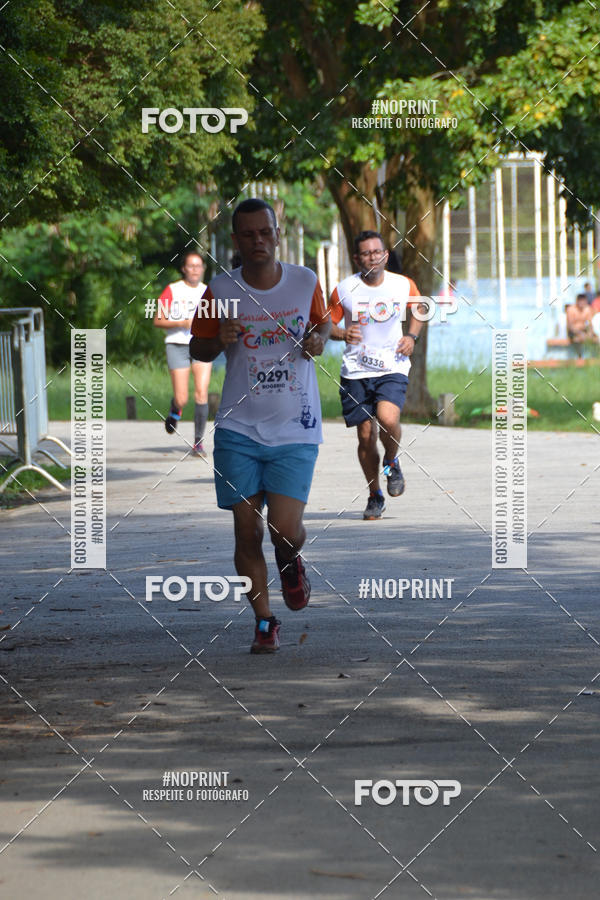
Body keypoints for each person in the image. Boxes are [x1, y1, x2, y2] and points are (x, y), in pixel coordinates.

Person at [190, 199, 330, 654]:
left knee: (285, 531)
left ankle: (290, 562)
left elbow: (323, 330)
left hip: (295, 426)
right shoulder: (220, 289)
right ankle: (265, 621)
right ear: (236, 241)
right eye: (247, 235)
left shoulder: (305, 281)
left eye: (264, 232)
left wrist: (317, 341)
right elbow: (198, 348)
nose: (257, 241)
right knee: (246, 532)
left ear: (276, 233)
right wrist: (217, 340)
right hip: (238, 430)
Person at [329, 230, 426, 520]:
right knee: (366, 435)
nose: (373, 257)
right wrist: (342, 333)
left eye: (377, 252)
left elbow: (420, 309)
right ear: (357, 258)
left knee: (387, 419)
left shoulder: (402, 284)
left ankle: (392, 461)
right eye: (366, 253)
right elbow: (324, 326)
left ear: (385, 255)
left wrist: (411, 336)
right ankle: (375, 494)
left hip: (392, 366)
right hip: (356, 371)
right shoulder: (344, 289)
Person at [153, 251, 212, 456]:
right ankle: (175, 408)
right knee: (182, 398)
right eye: (191, 266)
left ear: (203, 269)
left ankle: (198, 443)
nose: (195, 269)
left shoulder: (208, 291)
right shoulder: (173, 290)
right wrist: (182, 323)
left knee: (202, 392)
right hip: (177, 344)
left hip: (202, 345)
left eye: (198, 266)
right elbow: (158, 319)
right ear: (184, 269)